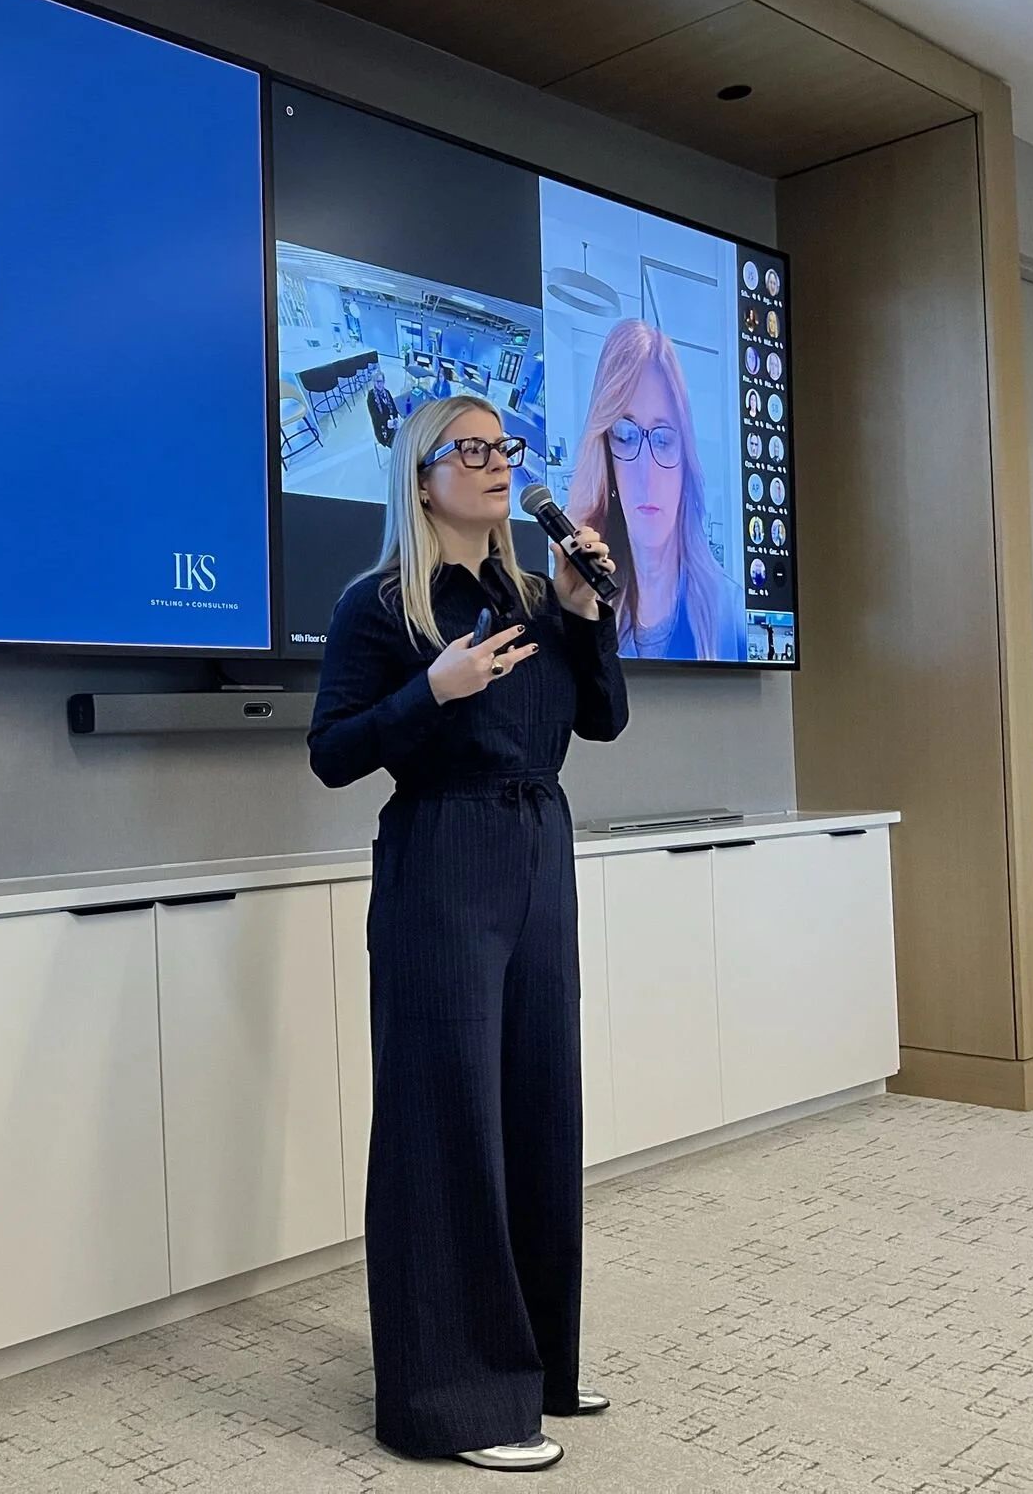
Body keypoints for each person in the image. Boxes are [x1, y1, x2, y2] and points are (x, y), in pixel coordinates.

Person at [308, 393, 627, 1473]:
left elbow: (600, 719)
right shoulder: (376, 606)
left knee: (539, 1104)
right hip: (440, 862)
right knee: (445, 1124)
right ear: (422, 472)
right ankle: (455, 1398)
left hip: (538, 855)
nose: (498, 466)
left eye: (506, 449)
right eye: (473, 450)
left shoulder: (535, 595)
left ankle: (534, 1361)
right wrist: (431, 693)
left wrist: (587, 614)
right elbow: (333, 752)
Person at [565, 319, 742, 661]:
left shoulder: (730, 613)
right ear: (604, 454)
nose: (646, 473)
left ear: (685, 461)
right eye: (625, 436)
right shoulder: (579, 602)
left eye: (662, 439)